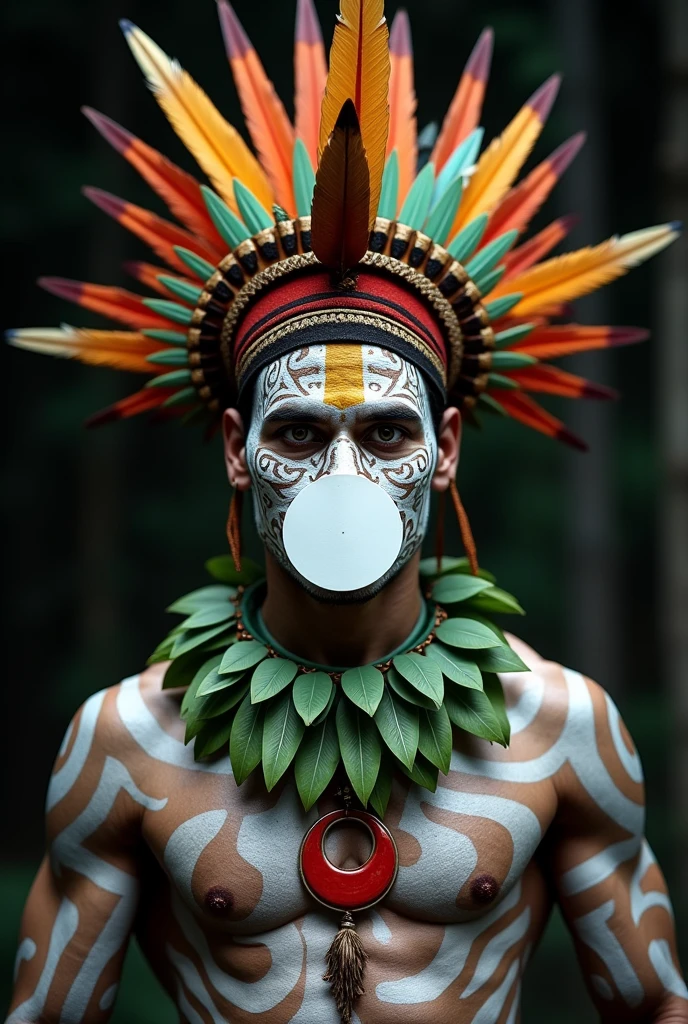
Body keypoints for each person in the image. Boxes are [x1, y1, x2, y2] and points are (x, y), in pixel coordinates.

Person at [6, 1, 686, 1022]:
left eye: (384, 434)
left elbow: (654, 1007)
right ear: (236, 451)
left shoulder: (560, 729)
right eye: (295, 435)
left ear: (444, 449)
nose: (342, 474)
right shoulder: (128, 742)